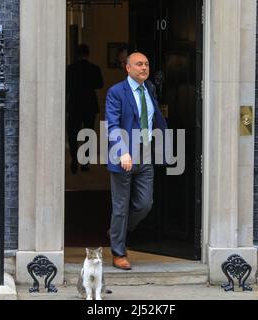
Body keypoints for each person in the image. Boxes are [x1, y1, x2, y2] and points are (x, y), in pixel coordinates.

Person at [105, 52, 168, 270]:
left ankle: (116, 232)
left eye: (147, 64)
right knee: (120, 207)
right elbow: (112, 125)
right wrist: (122, 151)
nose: (144, 68)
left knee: (144, 204)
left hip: (146, 154)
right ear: (128, 68)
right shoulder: (116, 92)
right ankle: (118, 252)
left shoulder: (149, 89)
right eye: (139, 64)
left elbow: (154, 119)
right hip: (123, 156)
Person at [66, 44, 104, 174]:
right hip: (89, 105)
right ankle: (85, 161)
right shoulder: (94, 68)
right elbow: (99, 84)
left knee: (72, 134)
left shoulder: (70, 69)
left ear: (77, 54)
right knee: (88, 134)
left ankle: (74, 158)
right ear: (88, 54)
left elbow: (66, 87)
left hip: (74, 104)